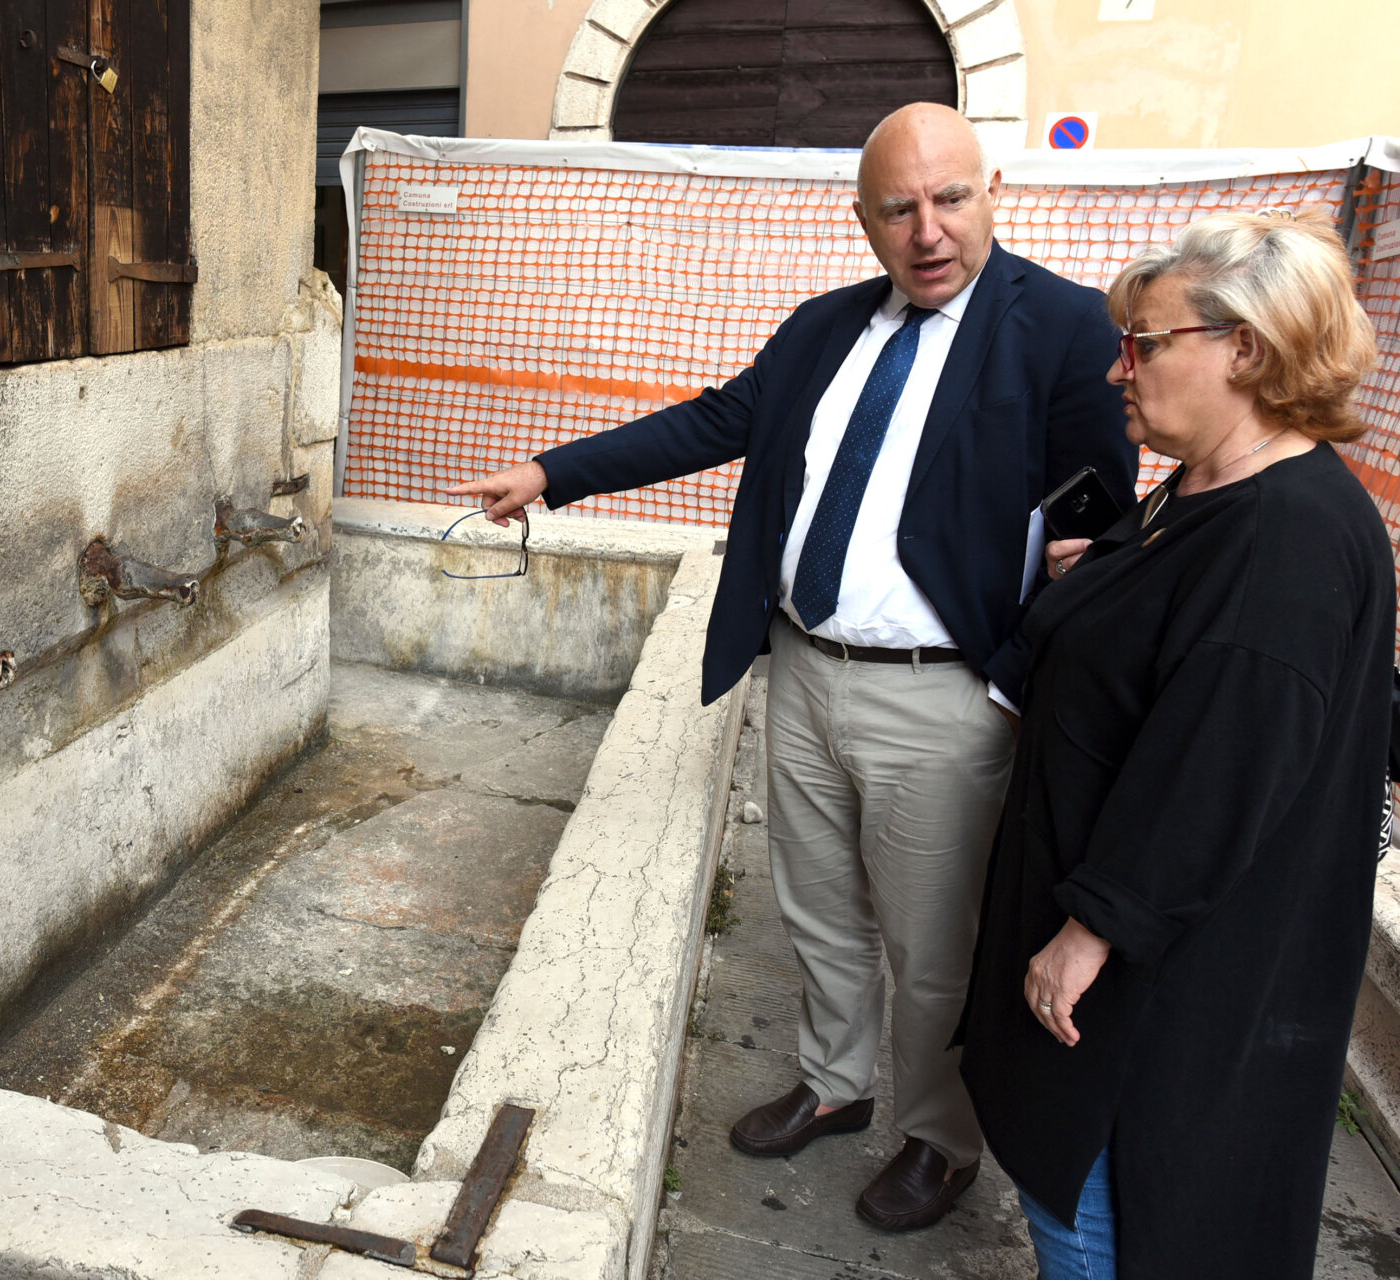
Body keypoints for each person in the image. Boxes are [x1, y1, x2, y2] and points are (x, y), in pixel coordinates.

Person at [445, 102, 1134, 1229]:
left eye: (950, 198)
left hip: (946, 694)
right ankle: (833, 1081)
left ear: (993, 190)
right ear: (861, 218)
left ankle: (938, 1136)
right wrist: (551, 470)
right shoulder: (825, 327)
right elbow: (715, 420)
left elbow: (1097, 534)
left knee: (931, 946)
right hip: (805, 667)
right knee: (815, 906)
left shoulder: (1062, 329)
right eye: (898, 207)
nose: (927, 231)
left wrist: (1007, 681)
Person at [956, 207, 1390, 1279]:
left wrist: (1090, 931)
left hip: (1151, 1007)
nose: (1119, 369)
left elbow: (1224, 764)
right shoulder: (1202, 485)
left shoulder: (1286, 533)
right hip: (1103, 951)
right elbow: (1169, 647)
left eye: (1144, 343)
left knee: (1104, 1218)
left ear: (1245, 346)